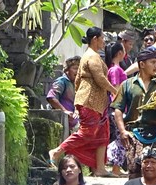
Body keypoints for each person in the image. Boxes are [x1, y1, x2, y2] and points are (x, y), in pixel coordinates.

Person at [49, 27, 117, 177]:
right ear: (95, 39)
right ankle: (56, 151)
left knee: (103, 134)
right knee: (87, 133)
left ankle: (99, 168)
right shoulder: (91, 57)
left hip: (97, 103)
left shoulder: (92, 56)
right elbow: (100, 79)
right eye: (102, 38)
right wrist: (115, 91)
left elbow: (78, 80)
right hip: (90, 102)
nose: (104, 41)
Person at [112, 47, 156, 179]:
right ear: (142, 64)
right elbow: (118, 109)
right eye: (153, 62)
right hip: (134, 133)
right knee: (135, 169)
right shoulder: (127, 85)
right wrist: (123, 131)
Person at [105, 42, 129, 175]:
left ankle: (117, 167)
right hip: (118, 108)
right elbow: (116, 88)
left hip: (118, 107)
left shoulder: (115, 69)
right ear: (120, 53)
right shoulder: (115, 70)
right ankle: (115, 167)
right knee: (119, 138)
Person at [46, 56, 81, 132]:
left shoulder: (75, 84)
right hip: (62, 122)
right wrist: (64, 111)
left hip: (73, 125)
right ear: (67, 70)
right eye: (75, 68)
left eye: (79, 69)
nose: (77, 72)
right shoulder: (62, 81)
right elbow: (51, 97)